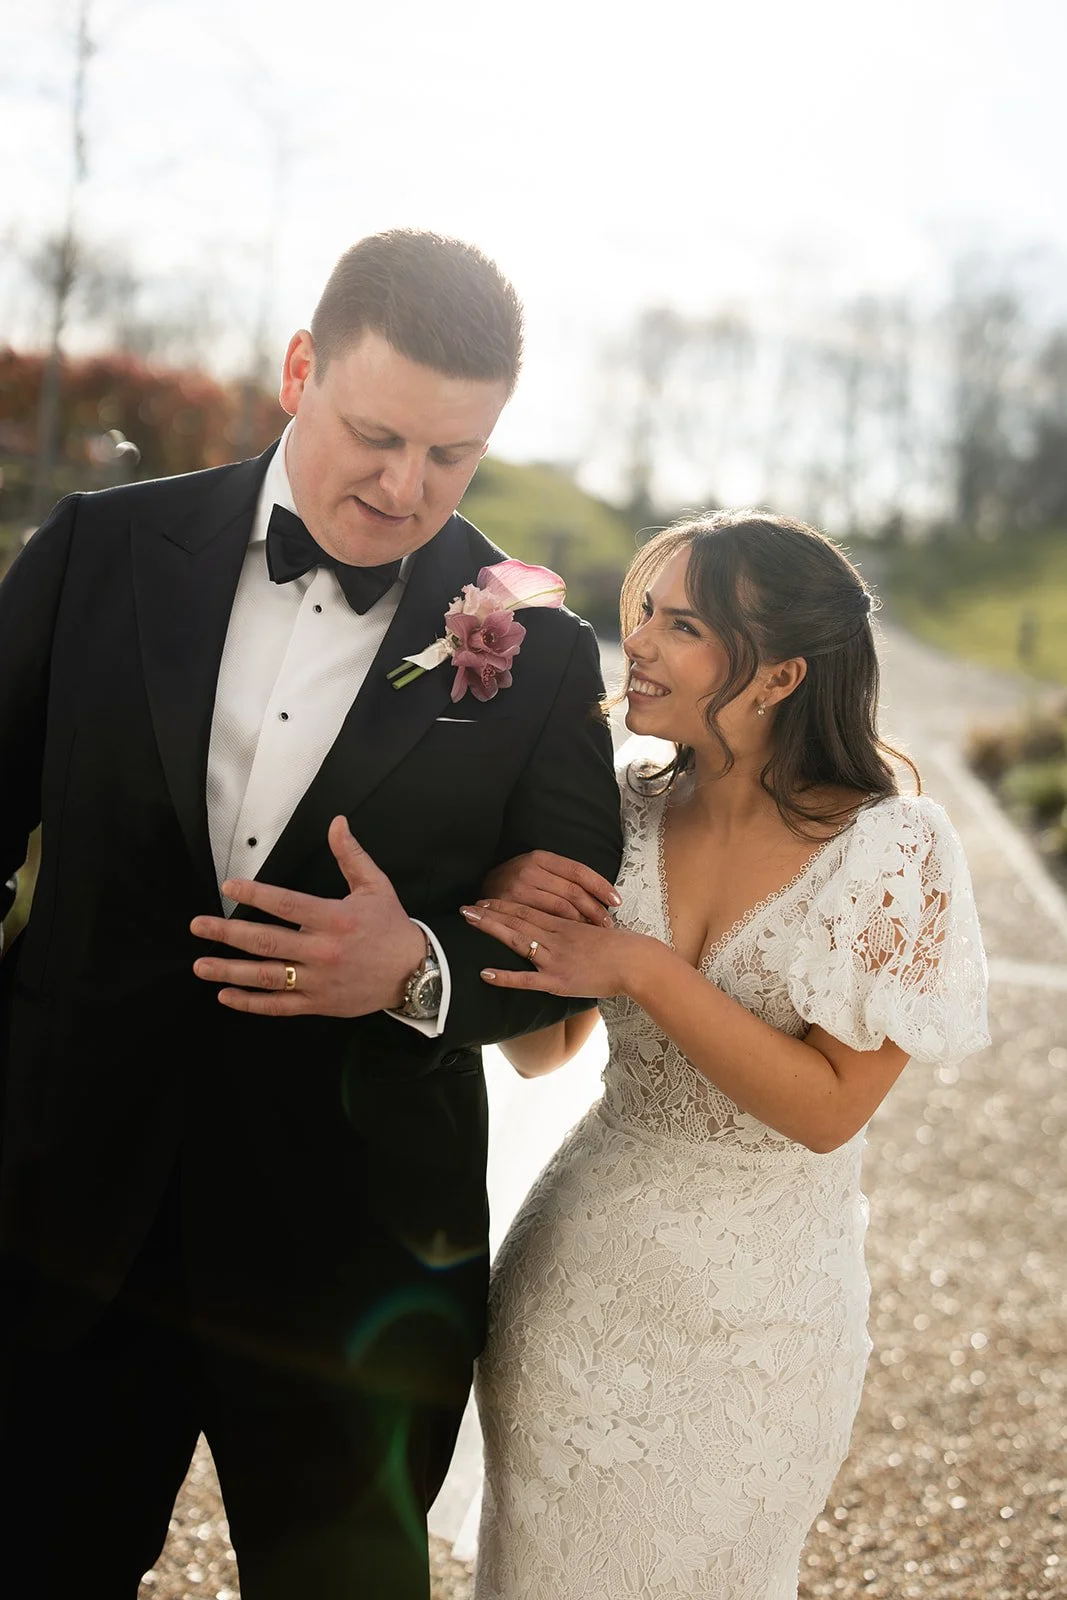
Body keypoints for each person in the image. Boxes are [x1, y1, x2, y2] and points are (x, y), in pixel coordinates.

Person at [0, 229, 622, 1600]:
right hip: (63, 1229)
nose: (405, 487)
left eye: (450, 456)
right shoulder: (97, 551)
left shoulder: (541, 654)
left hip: (354, 1272)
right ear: (299, 370)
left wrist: (418, 968)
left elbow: (572, 965)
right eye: (375, 433)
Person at [461, 512, 990, 1599]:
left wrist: (643, 970)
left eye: (682, 624)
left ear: (782, 673)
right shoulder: (619, 801)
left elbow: (827, 1108)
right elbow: (541, 1051)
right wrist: (509, 921)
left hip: (762, 1331)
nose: (639, 643)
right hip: (573, 1292)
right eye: (644, 614)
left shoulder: (895, 849)